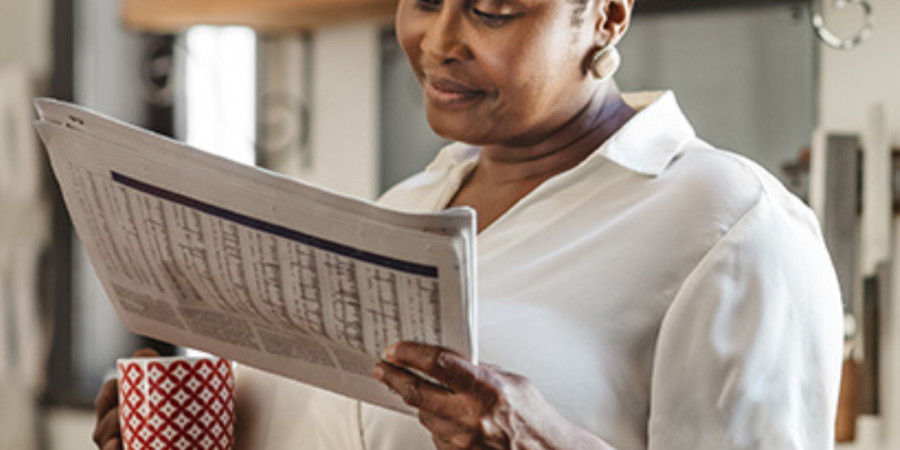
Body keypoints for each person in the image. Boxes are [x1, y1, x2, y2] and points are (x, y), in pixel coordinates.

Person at [94, 0, 844, 449]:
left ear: (607, 13)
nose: (440, 39)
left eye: (493, 9)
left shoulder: (733, 226)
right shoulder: (405, 208)